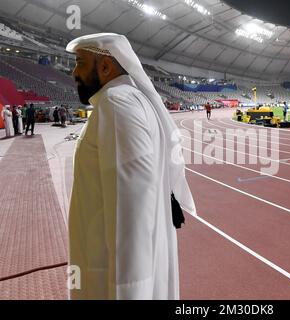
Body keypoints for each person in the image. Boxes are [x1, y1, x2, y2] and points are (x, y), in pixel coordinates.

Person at [66, 33, 196, 300]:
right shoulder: (127, 101)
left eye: (79, 62)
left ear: (105, 66)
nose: (73, 72)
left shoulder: (117, 104)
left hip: (109, 280)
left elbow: (130, 217)